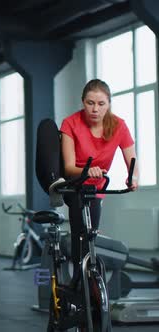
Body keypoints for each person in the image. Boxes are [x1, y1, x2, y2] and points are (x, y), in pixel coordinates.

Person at [60, 78, 138, 285]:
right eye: (90, 103)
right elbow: (68, 166)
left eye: (101, 104)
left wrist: (133, 177)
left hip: (96, 187)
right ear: (83, 102)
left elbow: (131, 157)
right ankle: (78, 279)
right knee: (80, 232)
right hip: (74, 183)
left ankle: (90, 280)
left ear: (109, 104)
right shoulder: (71, 123)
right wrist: (87, 171)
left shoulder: (119, 125)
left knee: (91, 233)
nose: (95, 109)